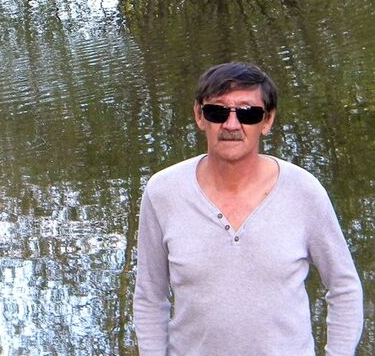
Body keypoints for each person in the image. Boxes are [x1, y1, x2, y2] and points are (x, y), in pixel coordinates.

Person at [132, 62, 363, 356]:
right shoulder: (162, 192)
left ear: (267, 120)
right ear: (199, 116)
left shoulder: (304, 192)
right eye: (217, 112)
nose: (231, 125)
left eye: (248, 113)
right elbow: (150, 298)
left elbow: (344, 288)